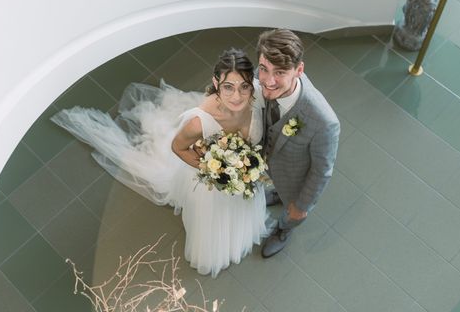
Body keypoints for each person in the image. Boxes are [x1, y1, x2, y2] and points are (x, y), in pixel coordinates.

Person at [51, 48, 268, 278]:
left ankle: (241, 232)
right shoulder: (198, 122)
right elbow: (178, 148)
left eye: (244, 86)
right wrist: (216, 172)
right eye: (228, 87)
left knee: (242, 208)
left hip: (245, 178)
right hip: (214, 185)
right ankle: (220, 248)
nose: (237, 96)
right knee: (217, 220)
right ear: (216, 83)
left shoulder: (258, 97)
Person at [256, 29, 340, 258]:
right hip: (271, 165)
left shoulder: (324, 122)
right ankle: (277, 193)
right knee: (276, 185)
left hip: (294, 176)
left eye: (280, 73)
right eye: (264, 69)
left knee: (292, 209)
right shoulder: (260, 78)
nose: (268, 81)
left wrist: (300, 207)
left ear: (299, 70)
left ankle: (283, 230)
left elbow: (322, 171)